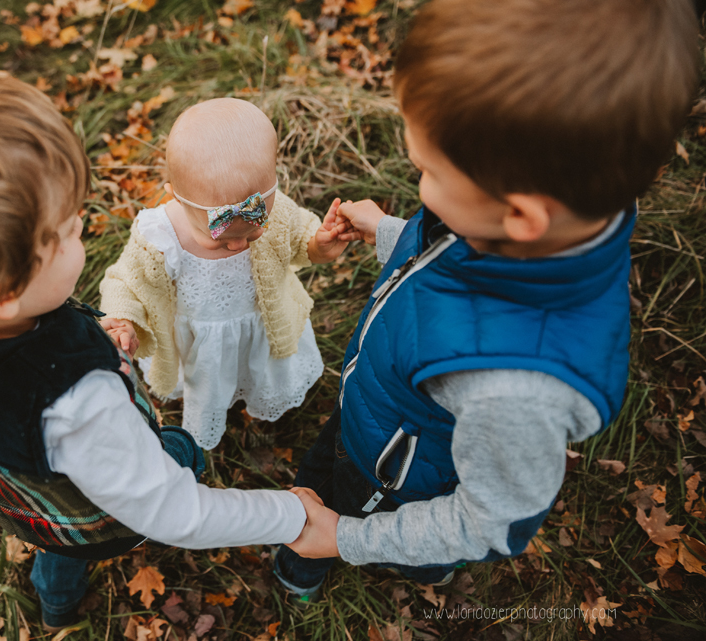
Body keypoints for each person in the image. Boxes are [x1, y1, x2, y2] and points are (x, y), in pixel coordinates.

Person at [0, 76, 322, 631]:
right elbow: (177, 512)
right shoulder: (79, 404)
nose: (83, 227)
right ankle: (176, 467)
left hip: (36, 507)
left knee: (58, 553)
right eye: (69, 231)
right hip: (98, 513)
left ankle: (55, 607)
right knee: (181, 456)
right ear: (5, 293)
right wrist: (291, 513)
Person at [280, 0, 700, 602]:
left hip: (393, 476)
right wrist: (392, 235)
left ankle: (315, 572)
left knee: (331, 510)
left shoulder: (512, 393)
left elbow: (485, 519)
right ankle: (421, 563)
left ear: (521, 215)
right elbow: (451, 273)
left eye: (427, 170)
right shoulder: (559, 219)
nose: (418, 182)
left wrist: (343, 536)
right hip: (385, 413)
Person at [99, 98, 351, 449]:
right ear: (177, 198)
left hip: (263, 325)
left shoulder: (271, 212)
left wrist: (318, 246)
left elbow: (300, 237)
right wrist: (122, 319)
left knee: (262, 370)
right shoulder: (159, 237)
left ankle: (264, 411)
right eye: (222, 239)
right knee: (209, 381)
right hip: (201, 342)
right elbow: (126, 282)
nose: (239, 246)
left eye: (252, 233)